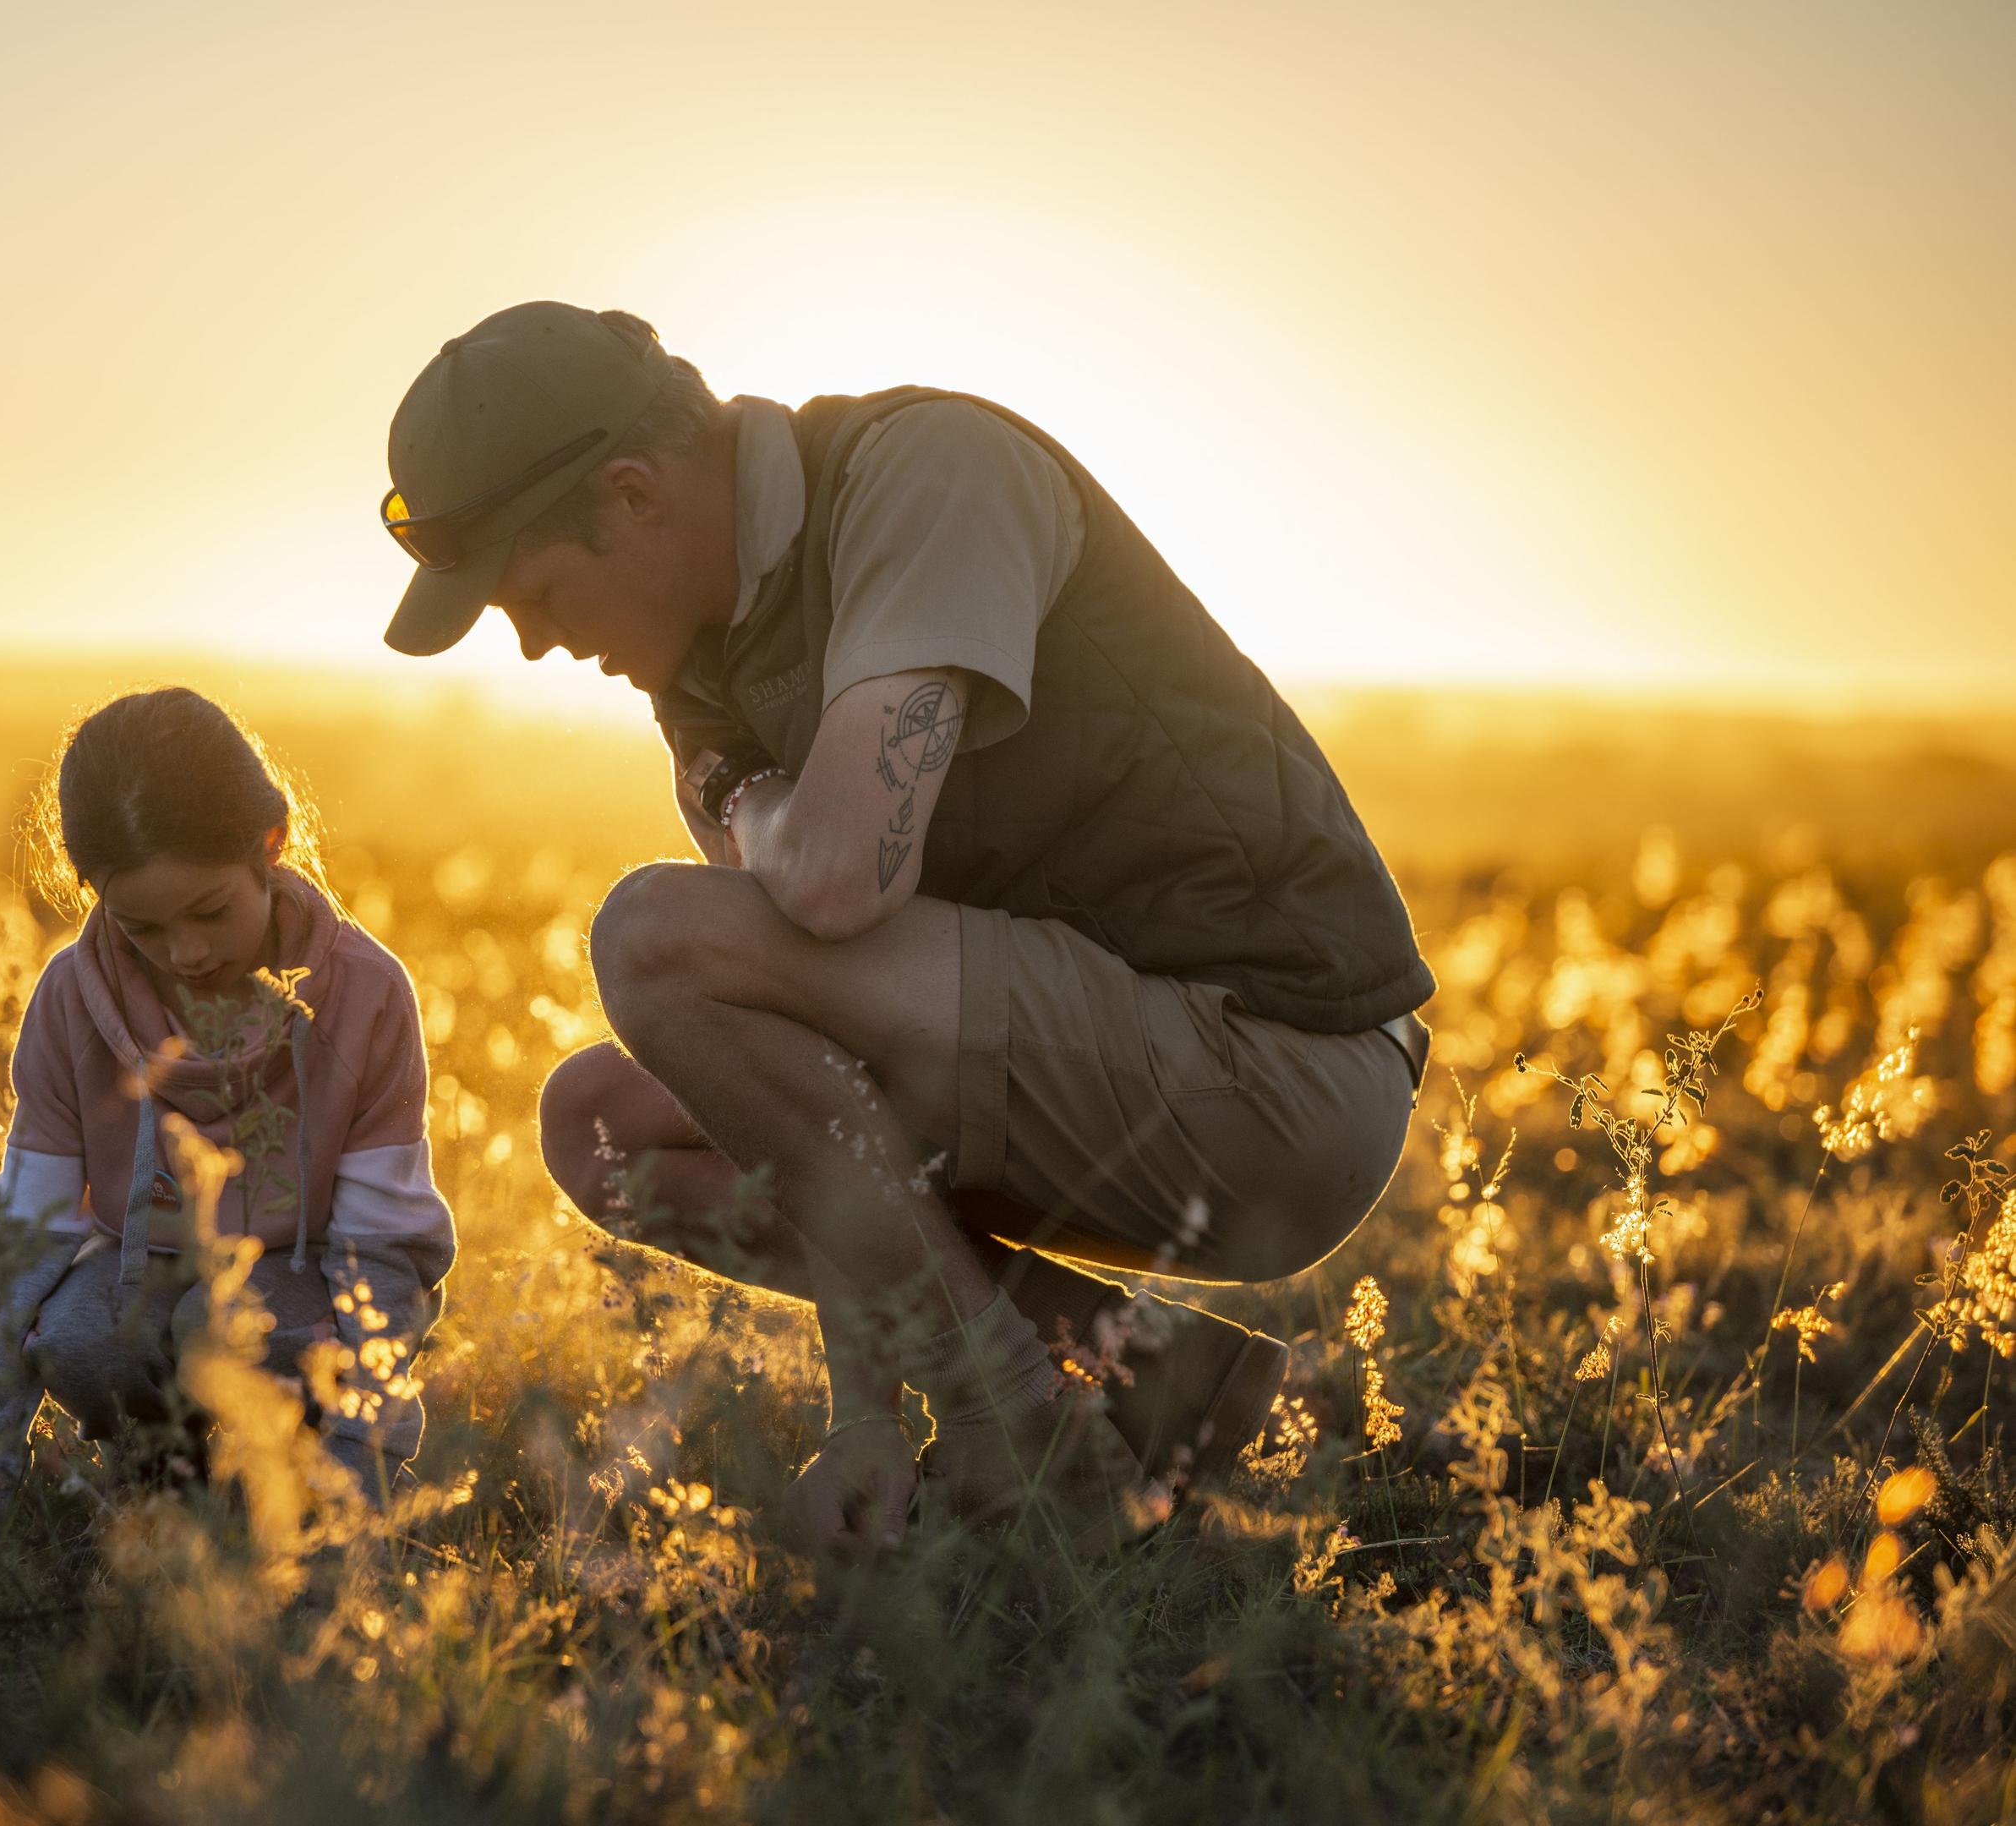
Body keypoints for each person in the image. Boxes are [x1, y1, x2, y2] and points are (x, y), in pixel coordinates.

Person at [374, 302, 1433, 1550]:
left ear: (634, 495)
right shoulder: (705, 679)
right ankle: (1148, 1375)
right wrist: (859, 1417)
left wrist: (747, 803)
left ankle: (1015, 1428)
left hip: (1278, 1073)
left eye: (533, 592)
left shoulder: (929, 475)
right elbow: (813, 1066)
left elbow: (831, 890)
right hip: (1086, 1066)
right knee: (602, 1125)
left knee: (656, 936)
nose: (539, 643)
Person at [0, 688, 455, 1530]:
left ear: (270, 843)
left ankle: (287, 1483)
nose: (188, 952)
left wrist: (365, 1474)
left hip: (304, 1281)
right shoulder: (72, 998)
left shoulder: (365, 993)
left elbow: (383, 1246)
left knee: (246, 1329)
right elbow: (25, 1237)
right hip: (145, 1272)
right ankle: (162, 1472)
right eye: (142, 926)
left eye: (211, 911)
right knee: (76, 1336)